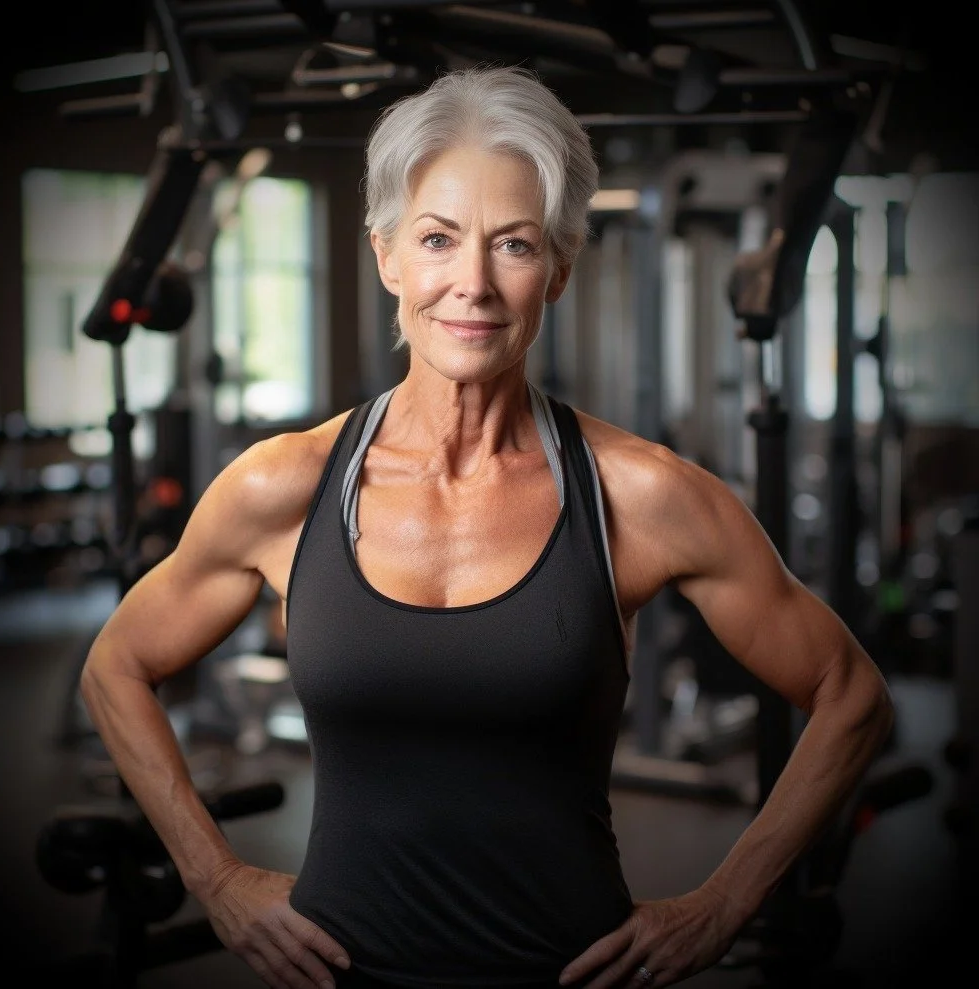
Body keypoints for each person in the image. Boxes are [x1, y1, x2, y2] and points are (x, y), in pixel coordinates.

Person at [79, 65, 895, 989]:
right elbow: (116, 666)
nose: (471, 283)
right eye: (436, 239)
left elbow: (849, 693)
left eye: (512, 243)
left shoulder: (639, 495)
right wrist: (214, 876)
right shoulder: (285, 486)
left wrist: (720, 905)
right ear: (387, 254)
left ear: (557, 268)